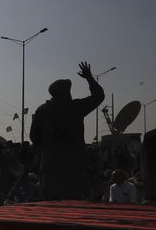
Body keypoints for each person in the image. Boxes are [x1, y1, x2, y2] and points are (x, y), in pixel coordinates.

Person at [29, 61, 105, 200]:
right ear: (67, 92)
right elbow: (99, 96)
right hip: (74, 168)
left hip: (50, 168)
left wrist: (49, 147)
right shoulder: (75, 107)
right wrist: (89, 77)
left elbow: (34, 137)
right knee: (75, 210)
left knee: (49, 210)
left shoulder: (42, 110)